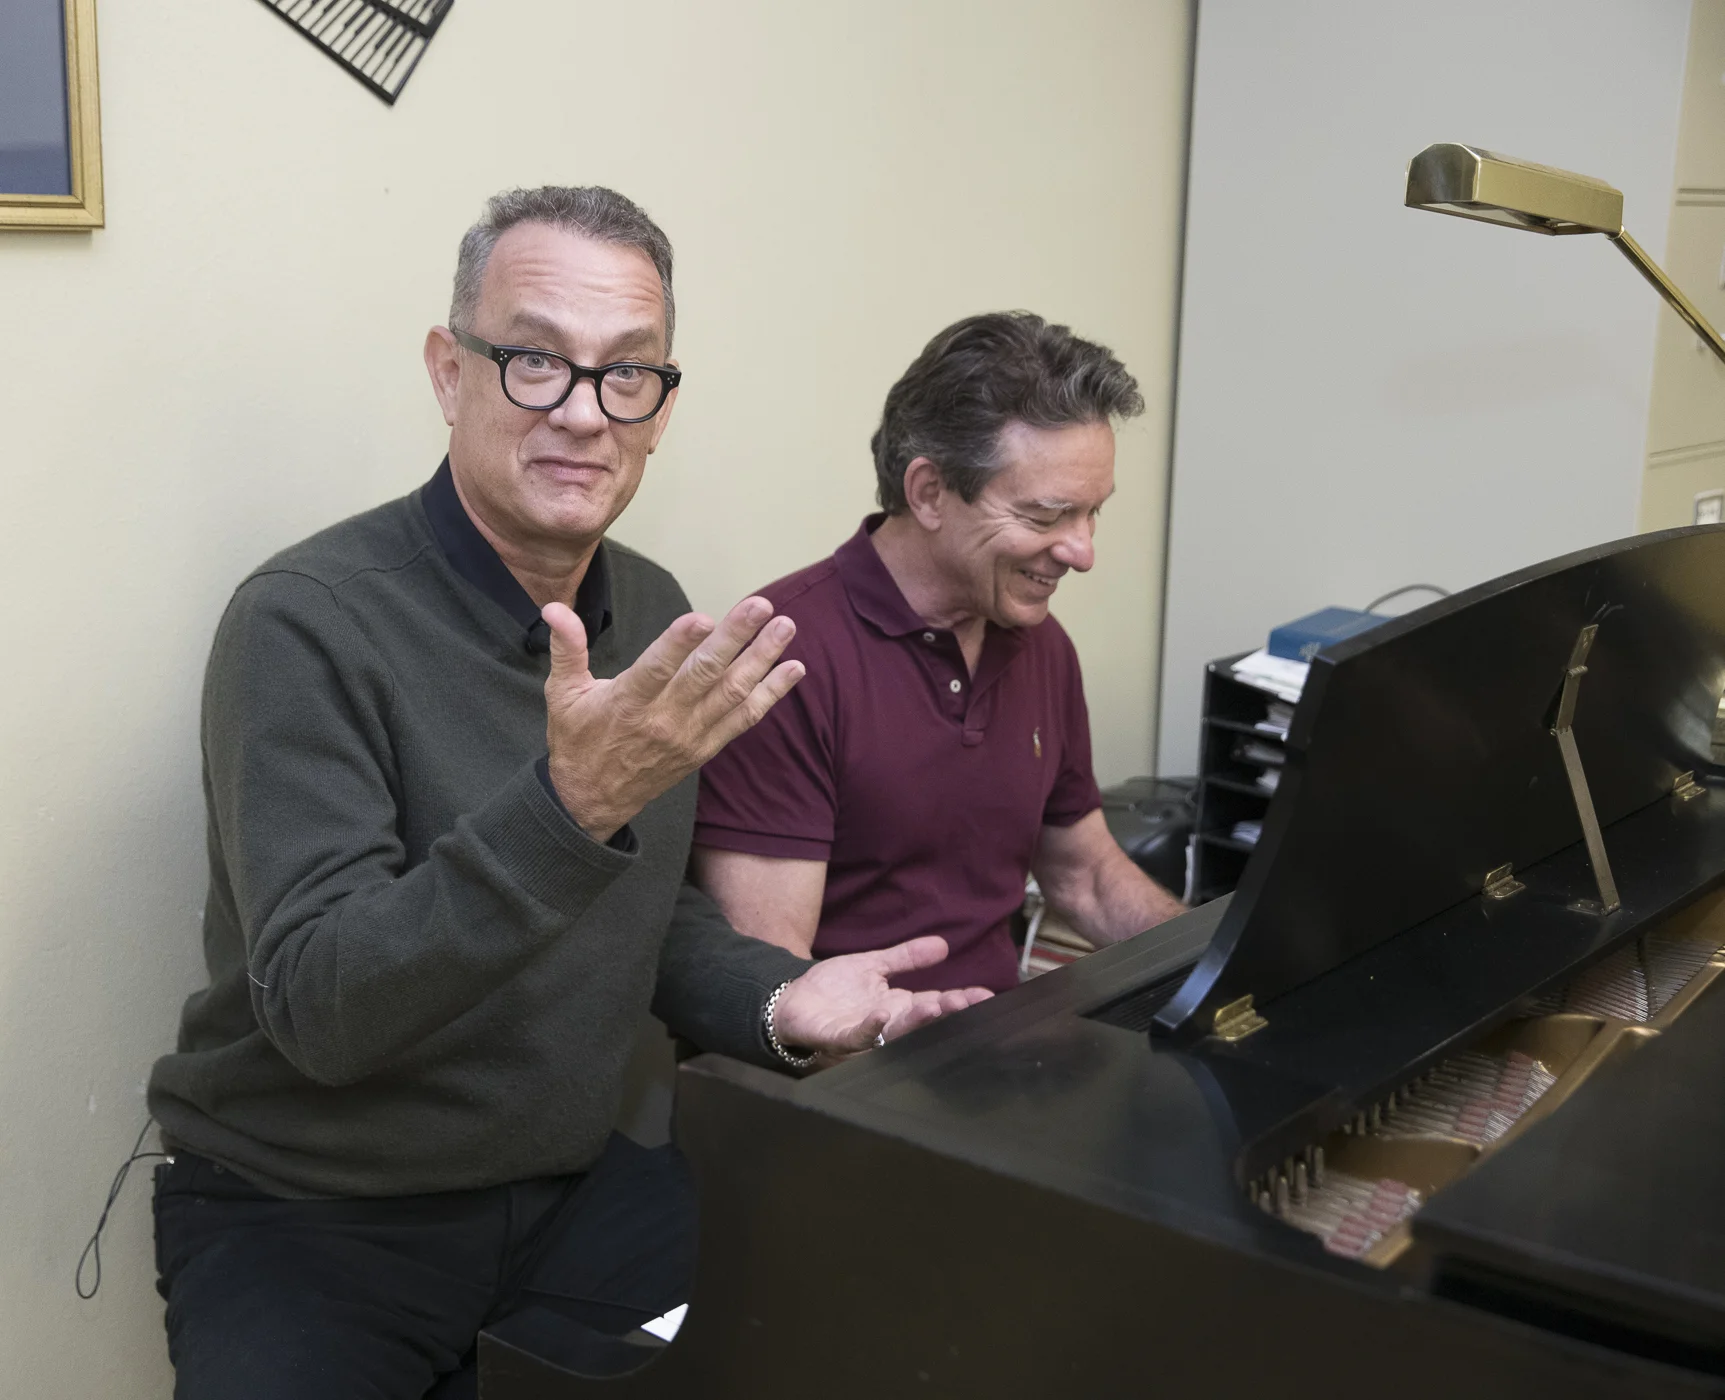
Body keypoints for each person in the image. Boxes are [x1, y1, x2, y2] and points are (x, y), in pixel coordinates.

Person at [145, 186, 991, 1400]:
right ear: (451, 373)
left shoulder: (647, 607)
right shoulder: (305, 620)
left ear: (661, 408)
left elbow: (643, 917)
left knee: (857, 1321)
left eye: (627, 374)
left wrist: (780, 1002)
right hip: (310, 1206)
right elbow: (322, 1009)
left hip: (567, 1185)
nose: (585, 414)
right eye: (536, 361)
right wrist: (569, 805)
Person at [691, 312, 1186, 994]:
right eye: (1045, 517)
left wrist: (1218, 961)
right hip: (850, 1078)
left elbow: (1084, 877)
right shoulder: (782, 657)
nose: (1082, 552)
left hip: (998, 1055)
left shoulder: (1041, 644)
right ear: (928, 492)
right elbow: (771, 979)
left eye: (1091, 512)